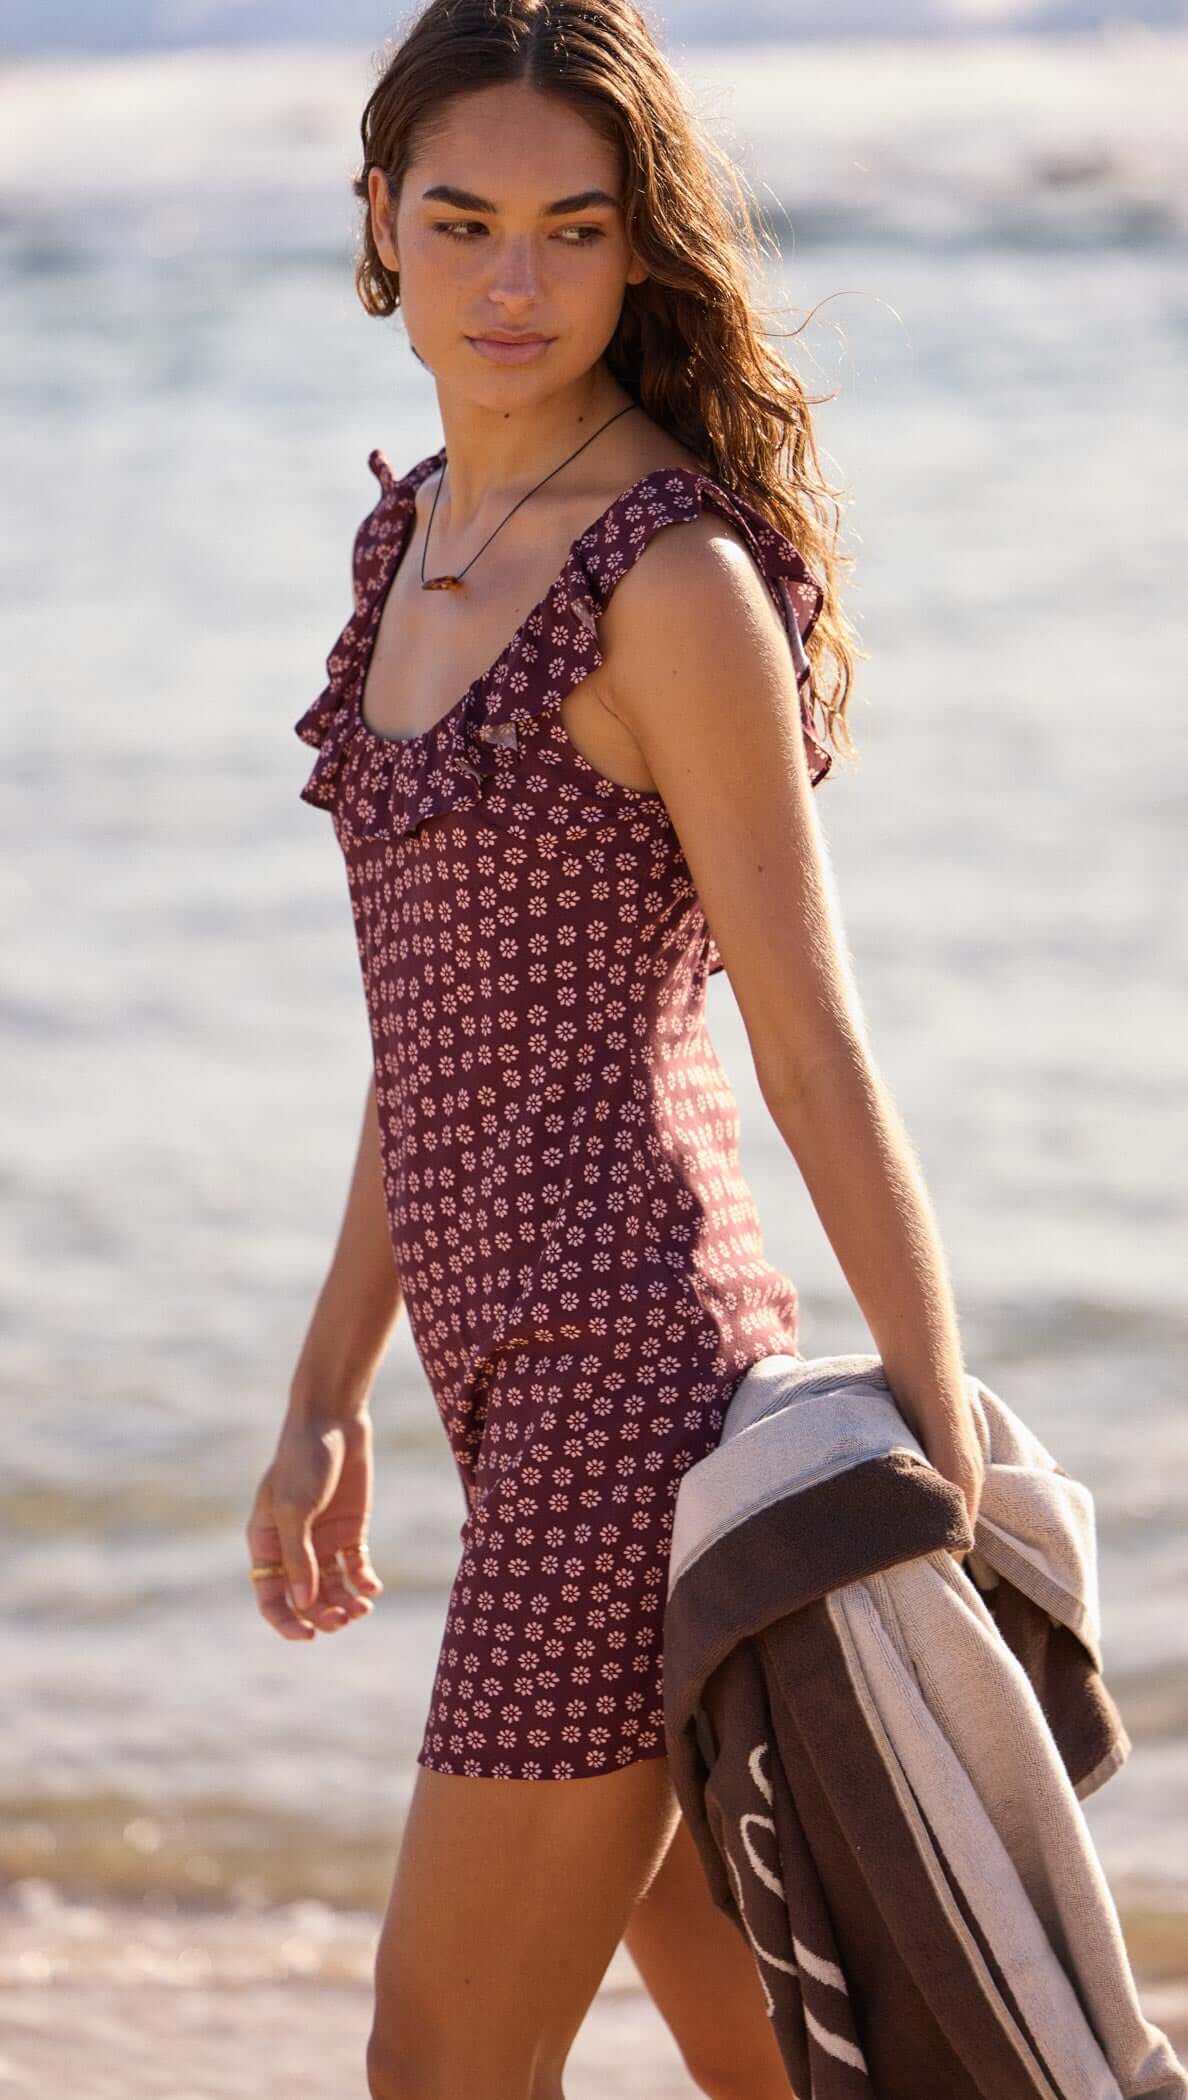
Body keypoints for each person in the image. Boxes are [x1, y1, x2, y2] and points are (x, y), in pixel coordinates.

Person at [245, 2, 987, 2093]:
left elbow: (812, 1046)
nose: (515, 283)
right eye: (463, 222)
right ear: (379, 223)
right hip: (501, 1393)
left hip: (633, 1394)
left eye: (573, 230)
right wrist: (326, 1388)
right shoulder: (409, 541)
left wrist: (938, 1444)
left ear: (638, 248)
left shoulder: (669, 583)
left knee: (439, 2058)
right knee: (772, 2054)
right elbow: (435, 1032)